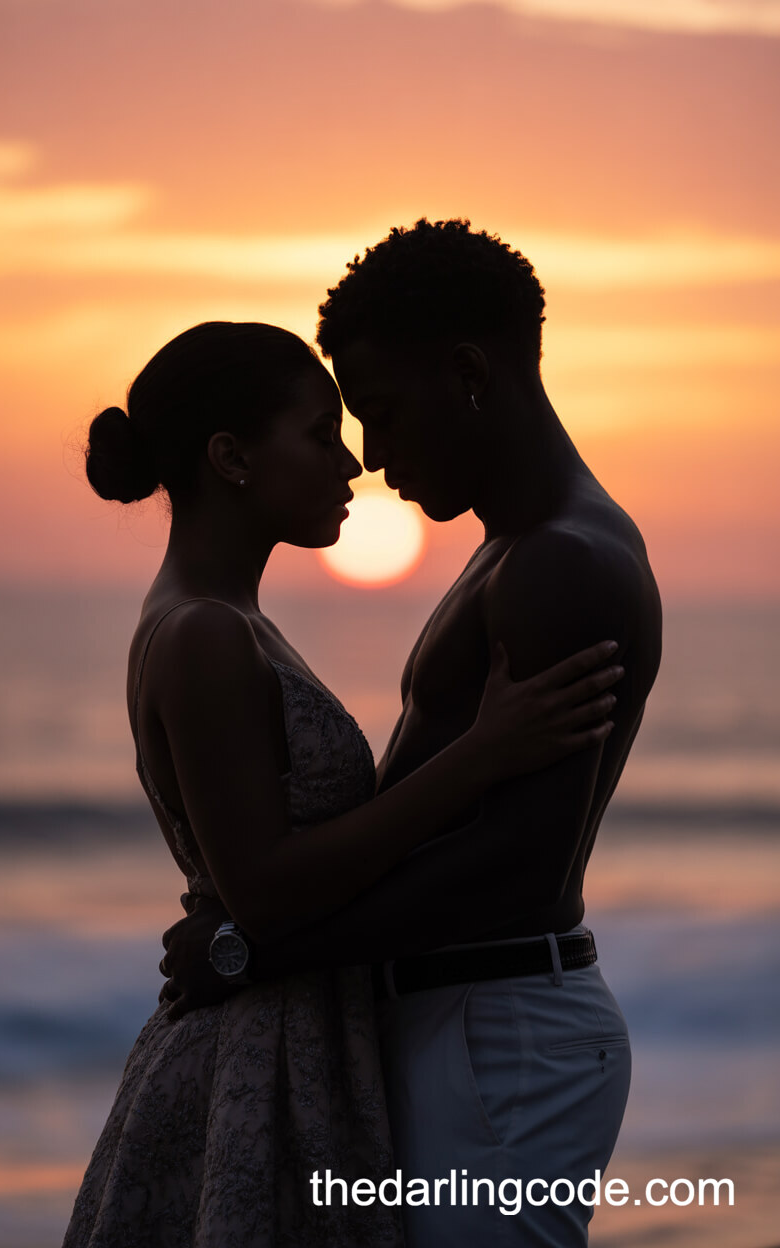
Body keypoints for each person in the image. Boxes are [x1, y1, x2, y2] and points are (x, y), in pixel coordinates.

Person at [62, 319, 623, 1248]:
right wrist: (479, 756)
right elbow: (266, 888)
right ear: (232, 458)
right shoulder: (204, 633)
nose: (352, 463)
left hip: (301, 1035)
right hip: (256, 1058)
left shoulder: (229, 620)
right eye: (321, 434)